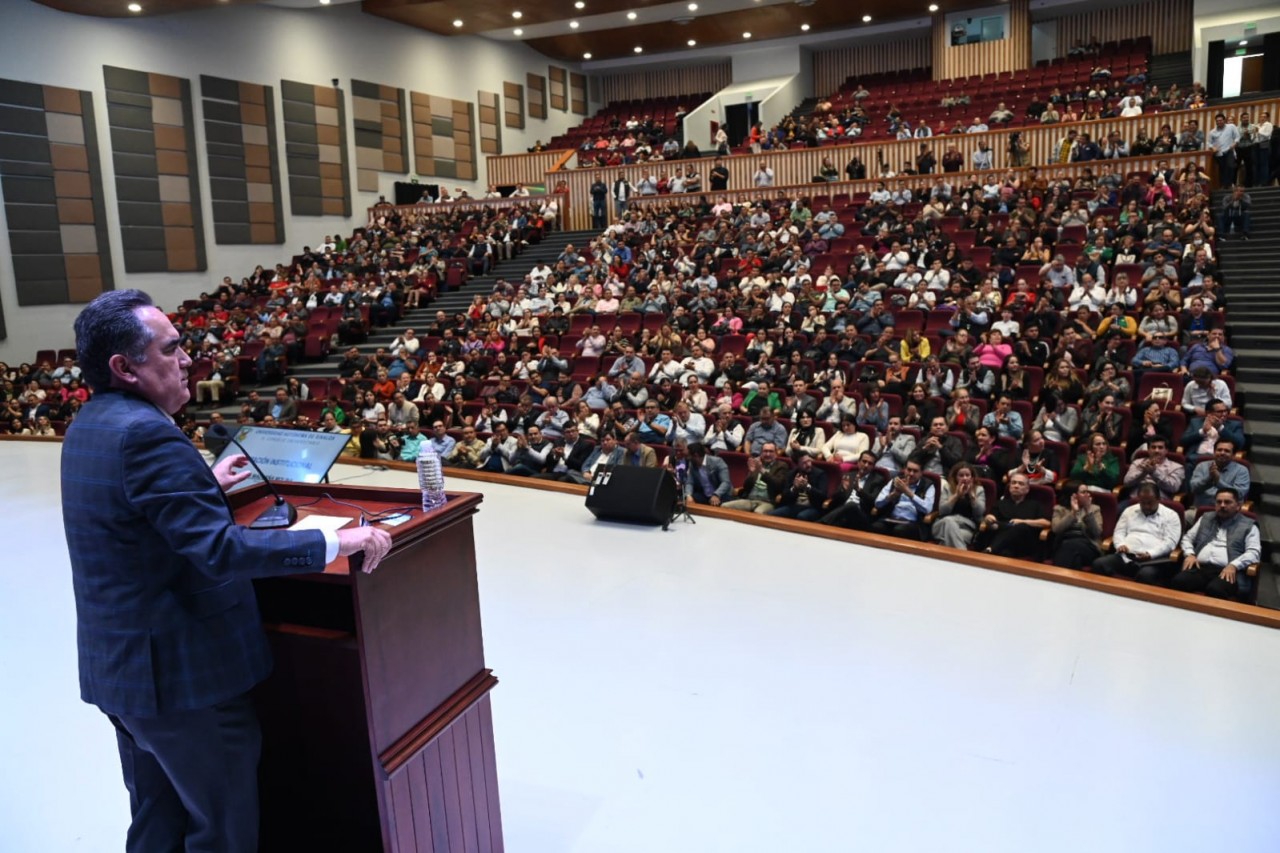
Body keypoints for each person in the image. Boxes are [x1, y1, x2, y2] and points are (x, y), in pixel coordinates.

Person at [61, 290, 392, 853]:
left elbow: (129, 515)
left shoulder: (93, 423)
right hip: (184, 682)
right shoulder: (146, 434)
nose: (188, 359)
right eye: (171, 349)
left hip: (124, 673)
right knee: (222, 832)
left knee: (157, 820)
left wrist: (203, 484)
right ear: (125, 367)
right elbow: (218, 551)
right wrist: (335, 540)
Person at [1170, 487, 1260, 600]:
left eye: (1227, 502)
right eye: (1219, 502)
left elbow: (1253, 552)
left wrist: (1234, 565)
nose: (1222, 505)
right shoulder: (1205, 518)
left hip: (1227, 571)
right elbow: (1187, 538)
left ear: (1238, 506)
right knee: (1179, 581)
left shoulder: (1249, 526)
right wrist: (1190, 554)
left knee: (1215, 589)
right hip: (1200, 567)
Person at [1090, 480, 1183, 583]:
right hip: (1126, 557)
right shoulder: (1129, 511)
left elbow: (1170, 543)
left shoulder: (1171, 516)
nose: (1146, 506)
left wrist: (1151, 554)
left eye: (1150, 503)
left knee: (1146, 575)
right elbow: (1119, 532)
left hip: (1152, 561)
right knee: (1099, 564)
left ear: (1158, 499)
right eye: (1143, 503)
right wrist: (1120, 545)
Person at [979, 472, 1051, 558]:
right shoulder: (1000, 503)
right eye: (1013, 483)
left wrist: (1023, 522)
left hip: (1024, 543)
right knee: (1006, 551)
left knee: (1021, 527)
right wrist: (988, 519)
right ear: (1009, 487)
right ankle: (993, 550)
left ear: (1027, 489)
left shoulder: (1035, 505)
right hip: (1003, 541)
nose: (1016, 486)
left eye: (1021, 484)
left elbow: (1046, 523)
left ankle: (991, 549)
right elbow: (992, 522)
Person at [869, 459, 934, 540]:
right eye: (909, 470)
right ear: (904, 469)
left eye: (915, 471)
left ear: (921, 473)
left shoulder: (928, 485)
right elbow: (877, 504)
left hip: (913, 523)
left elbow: (927, 509)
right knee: (876, 527)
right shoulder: (895, 481)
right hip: (892, 519)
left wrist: (908, 492)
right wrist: (893, 495)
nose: (911, 474)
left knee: (899, 530)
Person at [932, 462, 986, 550]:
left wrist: (972, 496)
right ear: (955, 477)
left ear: (972, 477)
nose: (964, 478)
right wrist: (956, 496)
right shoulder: (947, 487)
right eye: (961, 475)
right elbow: (942, 511)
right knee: (949, 521)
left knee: (946, 540)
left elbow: (979, 513)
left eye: (967, 475)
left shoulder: (979, 490)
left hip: (965, 527)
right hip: (942, 525)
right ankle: (964, 555)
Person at [1049, 483, 1104, 569]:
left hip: (1088, 545)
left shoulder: (1094, 509)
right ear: (1073, 495)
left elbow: (1097, 532)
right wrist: (1073, 513)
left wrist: (1088, 511)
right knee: (1075, 558)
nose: (1088, 495)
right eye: (1083, 492)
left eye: (1088, 492)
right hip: (1065, 544)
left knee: (1070, 547)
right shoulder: (1059, 509)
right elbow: (1056, 529)